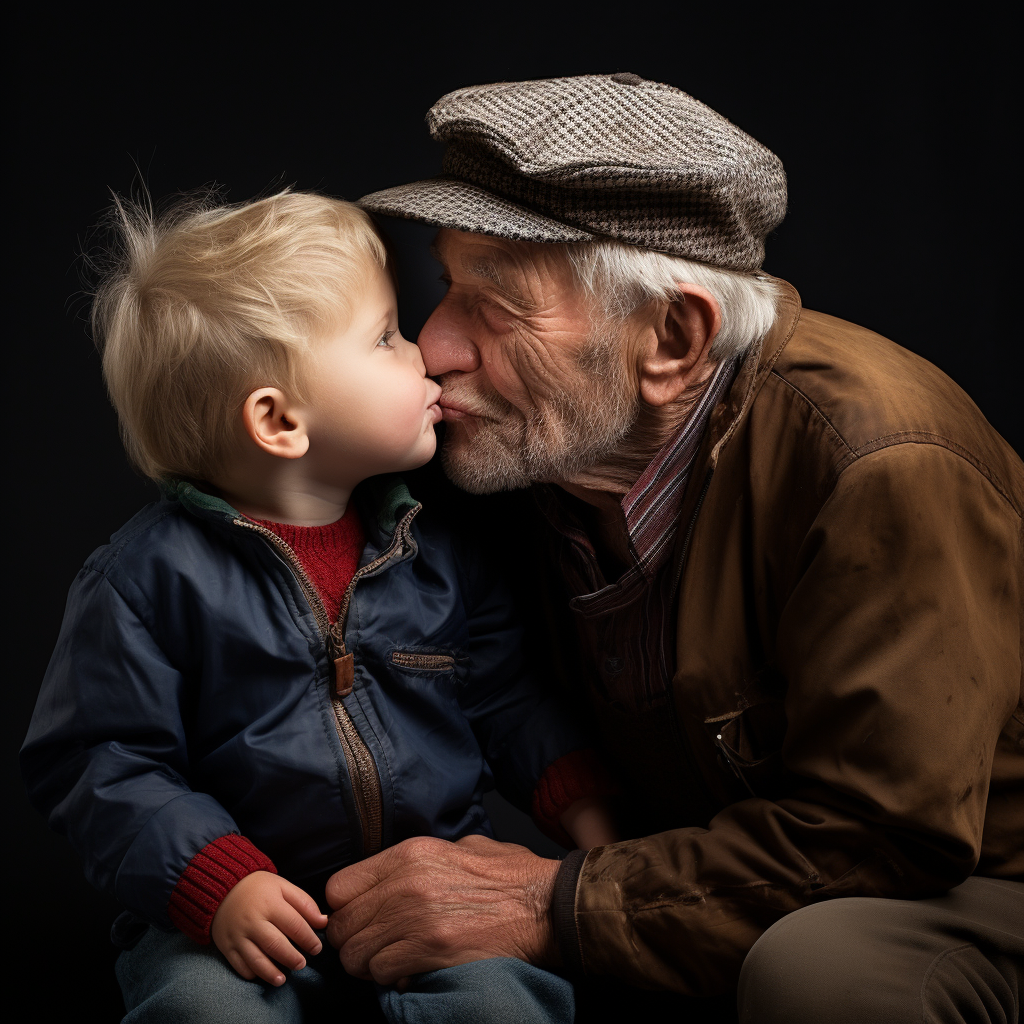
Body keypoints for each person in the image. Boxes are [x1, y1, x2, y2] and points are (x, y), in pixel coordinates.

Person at [323, 73, 1024, 1022]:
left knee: (821, 977)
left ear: (673, 339)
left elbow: (880, 839)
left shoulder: (880, 462)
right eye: (447, 285)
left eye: (496, 305)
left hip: (966, 883)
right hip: (709, 874)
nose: (434, 346)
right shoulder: (535, 445)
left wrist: (551, 902)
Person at [20, 190, 618, 1023]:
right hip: (237, 913)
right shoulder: (145, 579)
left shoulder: (437, 546)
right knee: (200, 1010)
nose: (425, 355)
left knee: (501, 1008)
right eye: (384, 338)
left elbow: (506, 698)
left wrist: (585, 807)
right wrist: (215, 881)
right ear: (279, 420)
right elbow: (101, 760)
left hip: (433, 888)